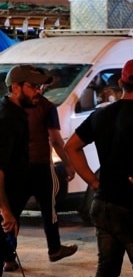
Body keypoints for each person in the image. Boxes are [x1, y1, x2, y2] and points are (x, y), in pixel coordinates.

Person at [65, 58, 133, 277]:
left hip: (103, 203)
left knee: (107, 270)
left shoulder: (100, 114)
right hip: (132, 205)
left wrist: (93, 181)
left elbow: (72, 147)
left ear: (120, 82)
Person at [3, 90, 78, 272]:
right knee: (48, 208)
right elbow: (55, 140)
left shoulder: (9, 109)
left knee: (13, 212)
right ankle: (54, 249)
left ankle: (8, 258)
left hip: (18, 167)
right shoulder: (46, 106)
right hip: (41, 164)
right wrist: (68, 164)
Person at [0, 65, 52, 275]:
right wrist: (6, 211)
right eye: (33, 86)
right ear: (16, 87)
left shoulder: (18, 115)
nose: (38, 91)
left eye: (40, 86)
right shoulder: (6, 120)